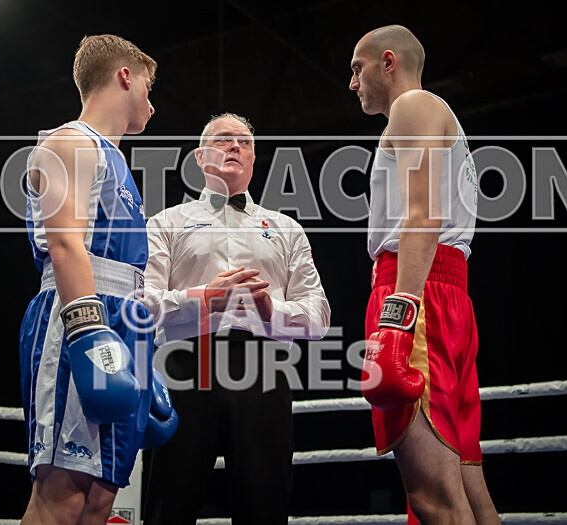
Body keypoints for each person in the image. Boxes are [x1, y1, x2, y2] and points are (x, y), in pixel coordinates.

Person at [142, 113, 331, 525]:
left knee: (265, 502)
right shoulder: (164, 223)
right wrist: (204, 299)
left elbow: (318, 316)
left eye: (244, 142)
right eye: (223, 139)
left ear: (253, 158)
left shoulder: (286, 228)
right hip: (183, 365)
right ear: (198, 157)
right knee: (168, 501)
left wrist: (271, 311)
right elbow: (145, 305)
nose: (235, 147)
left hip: (264, 367)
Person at [349, 25, 500, 524]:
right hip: (448, 295)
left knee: (433, 497)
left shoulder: (412, 107)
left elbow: (422, 216)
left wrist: (398, 314)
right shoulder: (437, 116)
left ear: (388, 62)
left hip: (416, 294)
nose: (353, 83)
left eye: (358, 67)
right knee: (469, 490)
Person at [18, 34, 159, 524]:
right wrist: (89, 335)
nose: (152, 102)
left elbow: (126, 274)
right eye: (147, 84)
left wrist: (140, 350)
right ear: (125, 75)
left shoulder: (116, 161)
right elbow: (65, 243)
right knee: (63, 494)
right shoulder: (70, 141)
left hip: (120, 322)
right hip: (78, 320)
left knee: (100, 499)